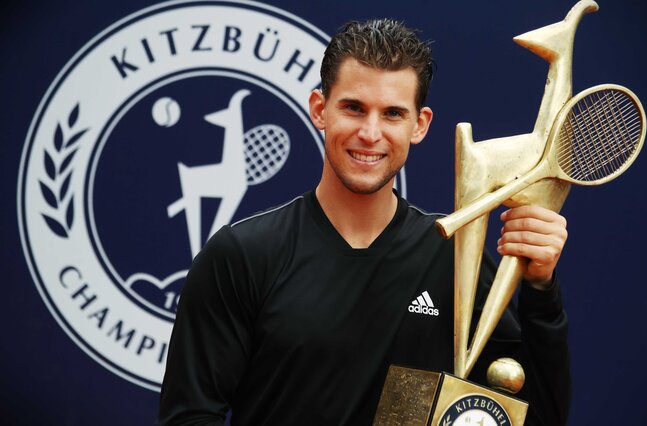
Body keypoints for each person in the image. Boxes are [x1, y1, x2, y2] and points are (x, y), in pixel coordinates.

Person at [157, 19, 570, 425]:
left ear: (419, 125)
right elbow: (189, 416)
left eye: (392, 113)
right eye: (354, 108)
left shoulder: (454, 256)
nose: (370, 133)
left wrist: (540, 288)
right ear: (319, 109)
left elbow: (536, 418)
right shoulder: (242, 255)